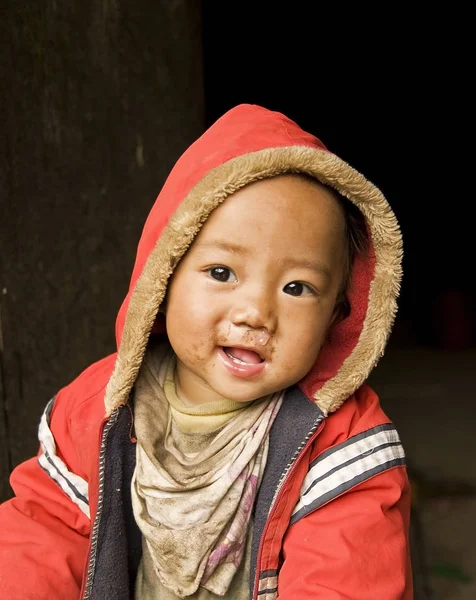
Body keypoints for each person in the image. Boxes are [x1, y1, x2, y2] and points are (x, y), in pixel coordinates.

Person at [0, 103, 413, 599]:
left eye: (298, 287)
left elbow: (346, 580)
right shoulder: (98, 407)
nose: (256, 312)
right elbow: (43, 535)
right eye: (222, 273)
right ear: (164, 275)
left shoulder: (343, 443)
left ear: (337, 314)